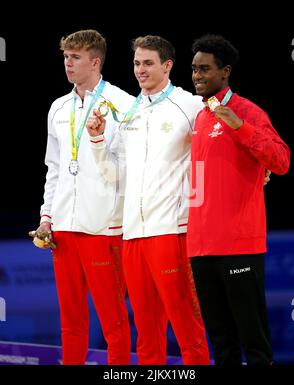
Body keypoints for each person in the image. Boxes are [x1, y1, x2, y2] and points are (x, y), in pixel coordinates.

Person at [86, 35, 210, 365]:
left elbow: (215, 146)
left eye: (148, 63)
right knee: (145, 330)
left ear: (168, 66)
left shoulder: (190, 105)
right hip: (133, 235)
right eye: (137, 63)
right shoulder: (129, 112)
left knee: (187, 326)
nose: (140, 70)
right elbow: (116, 175)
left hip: (172, 229)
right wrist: (97, 140)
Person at [187, 34, 291, 366]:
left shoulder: (247, 111)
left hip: (238, 245)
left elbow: (281, 161)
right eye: (194, 70)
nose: (197, 76)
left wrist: (241, 127)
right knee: (221, 342)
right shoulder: (200, 118)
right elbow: (200, 181)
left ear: (225, 71)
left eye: (205, 69)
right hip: (201, 247)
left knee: (254, 341)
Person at [35, 29, 134, 365]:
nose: (68, 63)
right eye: (65, 56)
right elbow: (54, 168)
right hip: (63, 228)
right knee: (71, 323)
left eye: (75, 57)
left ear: (95, 61)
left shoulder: (122, 105)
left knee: (114, 322)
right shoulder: (58, 107)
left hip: (103, 228)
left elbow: (127, 170)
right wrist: (47, 217)